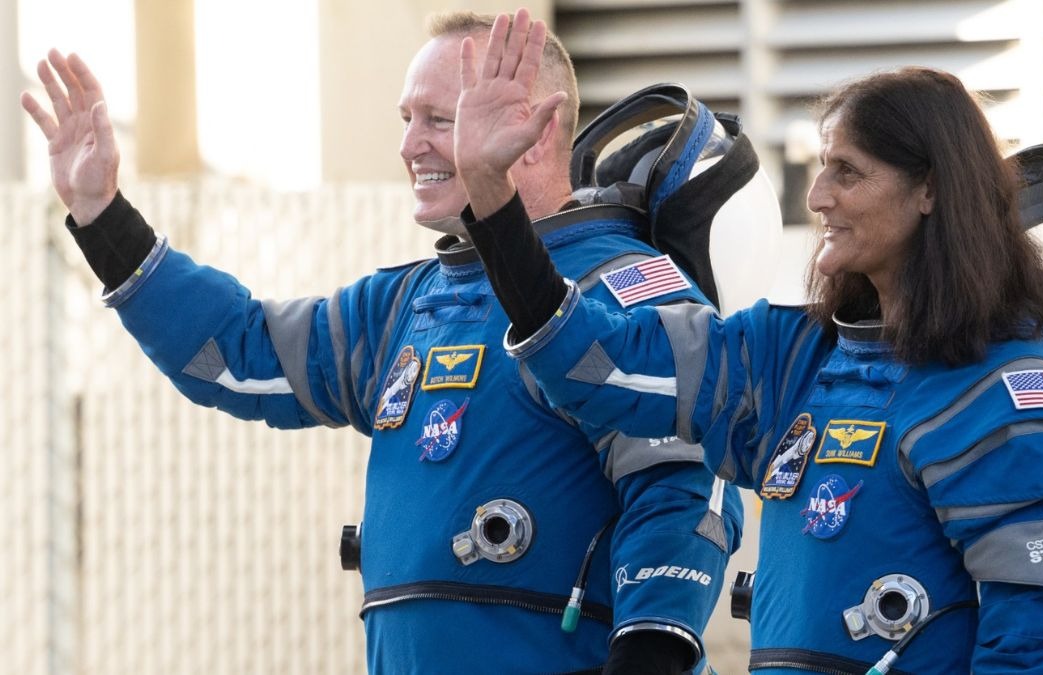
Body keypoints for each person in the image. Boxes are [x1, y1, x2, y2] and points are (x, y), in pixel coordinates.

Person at [20, 10, 744, 675]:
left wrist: (650, 649)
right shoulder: (406, 303)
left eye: (439, 119)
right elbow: (236, 354)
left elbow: (686, 480)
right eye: (406, 118)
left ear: (536, 128)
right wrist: (104, 217)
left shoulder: (621, 286)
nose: (408, 144)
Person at [453, 13, 1043, 674]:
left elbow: (1032, 649)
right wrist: (491, 193)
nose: (818, 196)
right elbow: (599, 364)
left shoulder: (1012, 392)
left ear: (931, 190)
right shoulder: (793, 355)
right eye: (823, 167)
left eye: (847, 173)